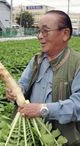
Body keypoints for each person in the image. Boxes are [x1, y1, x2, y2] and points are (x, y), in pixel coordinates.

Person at [6, 10, 80, 146]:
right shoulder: (36, 60)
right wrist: (16, 91)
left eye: (45, 31)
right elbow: (23, 84)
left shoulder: (77, 64)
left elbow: (78, 106)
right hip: (33, 134)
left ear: (65, 34)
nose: (40, 36)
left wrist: (42, 109)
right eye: (38, 31)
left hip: (61, 141)